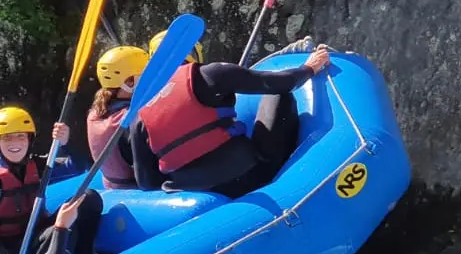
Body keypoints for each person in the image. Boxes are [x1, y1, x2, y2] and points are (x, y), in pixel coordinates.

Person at [129, 33, 329, 197]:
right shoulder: (211, 74)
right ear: (194, 53)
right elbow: (282, 83)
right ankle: (293, 172)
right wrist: (309, 67)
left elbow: (147, 182)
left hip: (197, 195)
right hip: (250, 175)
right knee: (278, 96)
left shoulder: (139, 114)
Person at [0, 106, 102, 254]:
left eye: (21, 136)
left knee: (89, 198)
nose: (15, 143)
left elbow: (79, 166)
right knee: (57, 231)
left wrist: (66, 143)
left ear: (29, 139)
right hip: (14, 249)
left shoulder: (38, 166)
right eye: (7, 138)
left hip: (39, 232)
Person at [86, 45, 149, 189]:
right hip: (134, 188)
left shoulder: (95, 112)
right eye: (145, 75)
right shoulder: (133, 117)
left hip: (110, 185)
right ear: (129, 82)